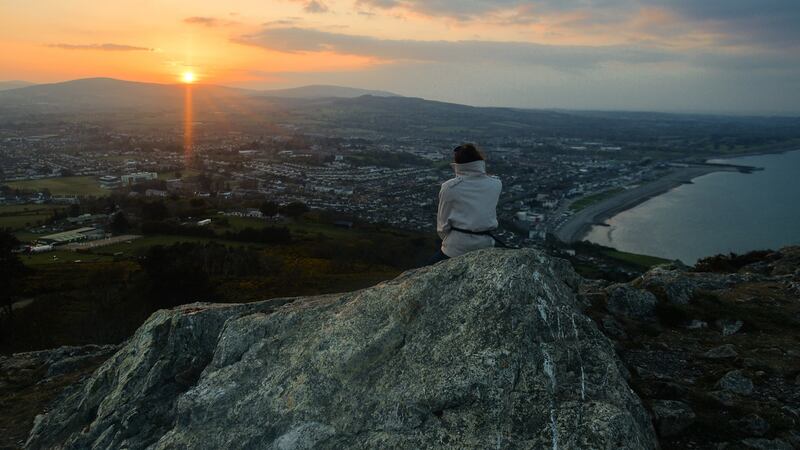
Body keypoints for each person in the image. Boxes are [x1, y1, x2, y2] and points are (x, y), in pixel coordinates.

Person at [428, 143, 502, 264]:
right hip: (486, 244)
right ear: (480, 161)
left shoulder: (449, 187)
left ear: (458, 164)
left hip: (455, 248)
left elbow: (442, 226)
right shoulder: (496, 184)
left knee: (427, 268)